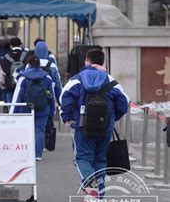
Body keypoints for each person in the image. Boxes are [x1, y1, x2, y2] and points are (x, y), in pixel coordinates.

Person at [60, 49, 129, 190]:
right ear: (102, 62)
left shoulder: (77, 79)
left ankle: (90, 183)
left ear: (87, 60)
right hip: (105, 128)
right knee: (100, 160)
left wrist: (66, 118)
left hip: (82, 125)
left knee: (82, 158)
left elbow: (64, 98)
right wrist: (112, 119)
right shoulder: (111, 81)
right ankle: (99, 193)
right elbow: (124, 103)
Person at [10, 56, 55, 161]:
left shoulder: (23, 78)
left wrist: (13, 113)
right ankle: (38, 154)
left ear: (29, 64)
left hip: (26, 108)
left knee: (26, 130)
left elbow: (18, 96)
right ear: (39, 65)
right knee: (40, 131)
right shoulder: (47, 78)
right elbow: (51, 96)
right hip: (44, 109)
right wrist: (52, 111)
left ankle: (26, 152)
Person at [0, 38, 27, 103]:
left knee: (11, 108)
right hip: (24, 87)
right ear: (21, 45)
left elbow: (1, 74)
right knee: (24, 108)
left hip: (10, 87)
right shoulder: (27, 55)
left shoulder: (5, 57)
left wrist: (3, 86)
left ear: (10, 46)